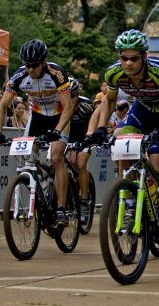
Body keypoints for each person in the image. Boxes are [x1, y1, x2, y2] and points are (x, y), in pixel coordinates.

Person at [89, 29, 159, 243]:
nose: (128, 63)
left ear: (144, 56)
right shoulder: (114, 73)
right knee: (123, 144)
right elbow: (109, 100)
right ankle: (131, 199)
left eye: (133, 58)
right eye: (123, 58)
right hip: (142, 112)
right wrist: (102, 127)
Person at [0, 39, 74, 228]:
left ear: (43, 62)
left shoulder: (57, 74)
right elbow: (2, 105)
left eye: (35, 65)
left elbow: (68, 107)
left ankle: (61, 209)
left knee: (57, 156)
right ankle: (42, 185)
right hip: (37, 116)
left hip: (59, 115)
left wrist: (58, 131)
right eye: (27, 65)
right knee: (29, 158)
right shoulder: (19, 75)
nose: (30, 70)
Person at [65, 77, 97, 224]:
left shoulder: (87, 106)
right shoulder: (59, 105)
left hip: (84, 137)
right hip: (66, 138)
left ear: (77, 95)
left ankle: (84, 201)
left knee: (80, 164)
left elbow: (94, 123)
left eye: (72, 96)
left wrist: (90, 138)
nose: (69, 100)